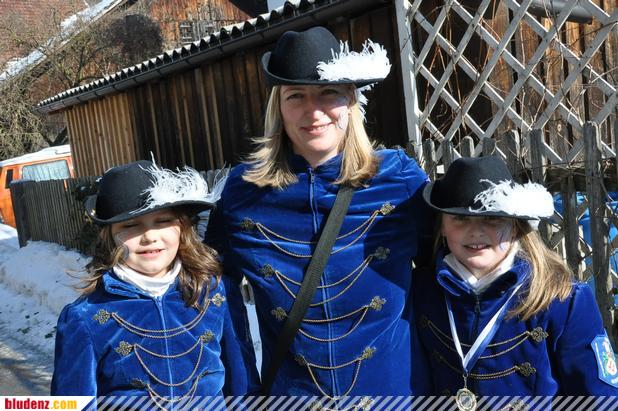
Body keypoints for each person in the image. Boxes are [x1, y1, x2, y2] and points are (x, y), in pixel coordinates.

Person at [206, 26, 433, 402]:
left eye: (328, 92)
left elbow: (443, 275)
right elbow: (214, 295)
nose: (313, 111)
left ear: (351, 101)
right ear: (278, 107)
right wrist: (244, 394)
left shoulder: (400, 180)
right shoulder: (241, 194)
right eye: (296, 95)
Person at [51, 160, 259, 406]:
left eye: (162, 221)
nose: (149, 236)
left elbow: (243, 387)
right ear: (109, 236)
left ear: (182, 227)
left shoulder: (216, 293)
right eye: (131, 225)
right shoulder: (85, 317)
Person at [415, 156, 618, 406]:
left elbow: (600, 401)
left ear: (514, 225)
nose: (476, 231)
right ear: (442, 227)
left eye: (492, 219)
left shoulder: (563, 299)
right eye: (460, 219)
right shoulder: (423, 291)